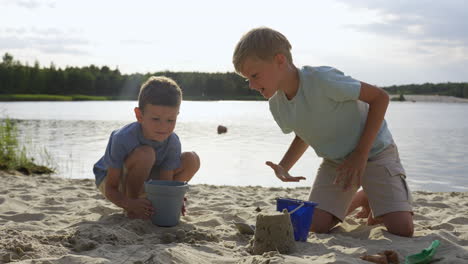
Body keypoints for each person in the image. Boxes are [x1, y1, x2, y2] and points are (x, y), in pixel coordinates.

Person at [232, 27, 413, 237]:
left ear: (280, 60)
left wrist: (360, 155)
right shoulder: (277, 105)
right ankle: (363, 197)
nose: (252, 85)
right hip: (336, 161)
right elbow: (303, 134)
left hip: (374, 152)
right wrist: (284, 166)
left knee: (402, 230)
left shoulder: (322, 80)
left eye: (255, 75)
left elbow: (380, 97)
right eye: (247, 79)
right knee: (315, 225)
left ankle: (373, 194)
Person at [93, 76, 200, 220]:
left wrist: (172, 198)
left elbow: (165, 181)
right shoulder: (123, 138)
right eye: (155, 119)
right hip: (111, 180)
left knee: (191, 159)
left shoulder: (172, 142)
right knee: (146, 154)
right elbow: (110, 188)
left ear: (177, 115)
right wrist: (129, 203)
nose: (163, 127)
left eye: (170, 120)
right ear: (139, 115)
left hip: (145, 177)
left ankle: (151, 204)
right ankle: (134, 209)